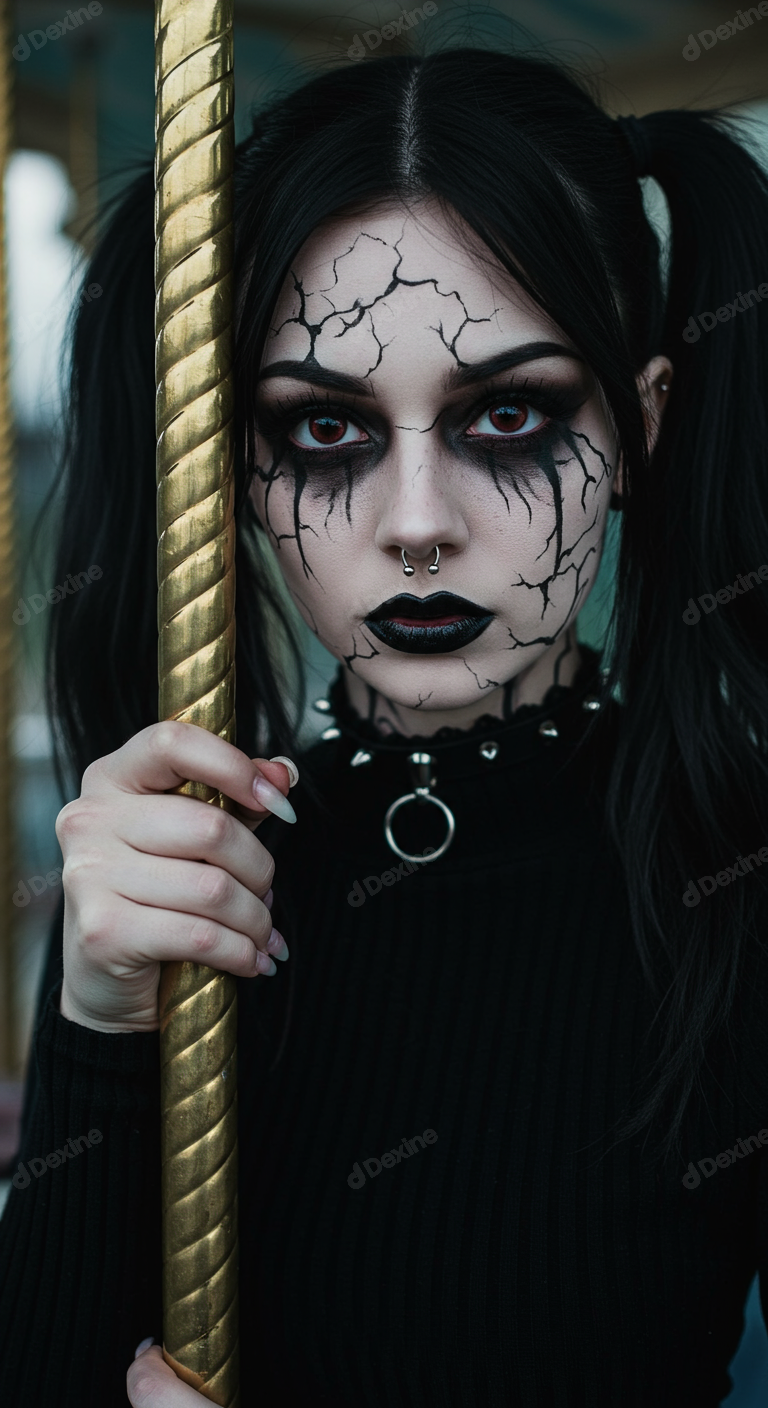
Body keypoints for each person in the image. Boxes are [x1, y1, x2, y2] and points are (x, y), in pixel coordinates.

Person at [1, 46, 768, 1407]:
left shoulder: (731, 876)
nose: (418, 525)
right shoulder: (178, 880)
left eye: (513, 414)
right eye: (328, 432)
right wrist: (97, 1017)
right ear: (232, 463)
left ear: (643, 426)